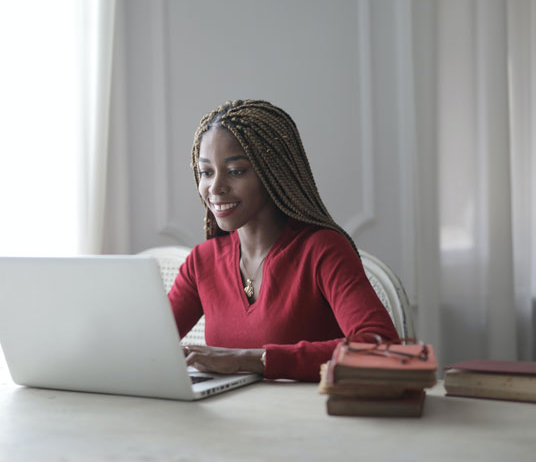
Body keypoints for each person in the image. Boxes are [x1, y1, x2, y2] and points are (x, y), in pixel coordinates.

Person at [167, 99, 399, 382]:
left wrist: (249, 360)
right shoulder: (202, 261)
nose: (215, 187)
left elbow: (382, 348)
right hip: (226, 419)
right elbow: (147, 344)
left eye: (236, 171)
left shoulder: (322, 250)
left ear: (272, 172)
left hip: (308, 420)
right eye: (206, 172)